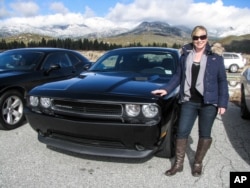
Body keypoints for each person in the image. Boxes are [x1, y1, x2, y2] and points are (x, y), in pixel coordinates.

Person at [151, 25, 229, 177]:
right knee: (182, 131)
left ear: (207, 38)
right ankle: (178, 164)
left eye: (202, 37)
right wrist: (166, 89)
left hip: (209, 102)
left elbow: (222, 81)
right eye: (196, 37)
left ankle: (197, 163)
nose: (199, 40)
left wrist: (223, 103)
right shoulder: (185, 55)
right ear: (192, 39)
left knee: (204, 133)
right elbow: (177, 77)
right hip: (188, 101)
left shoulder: (215, 57)